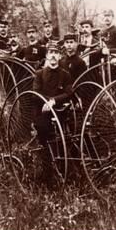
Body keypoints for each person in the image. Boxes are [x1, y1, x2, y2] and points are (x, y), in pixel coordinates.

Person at [32, 42, 73, 186]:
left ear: (60, 56)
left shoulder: (65, 74)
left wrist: (54, 101)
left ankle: (63, 171)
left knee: (63, 139)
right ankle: (46, 171)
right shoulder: (39, 74)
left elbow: (69, 93)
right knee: (44, 134)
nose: (53, 55)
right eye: (51, 52)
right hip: (42, 112)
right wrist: (45, 102)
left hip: (59, 111)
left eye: (56, 52)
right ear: (47, 56)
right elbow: (35, 94)